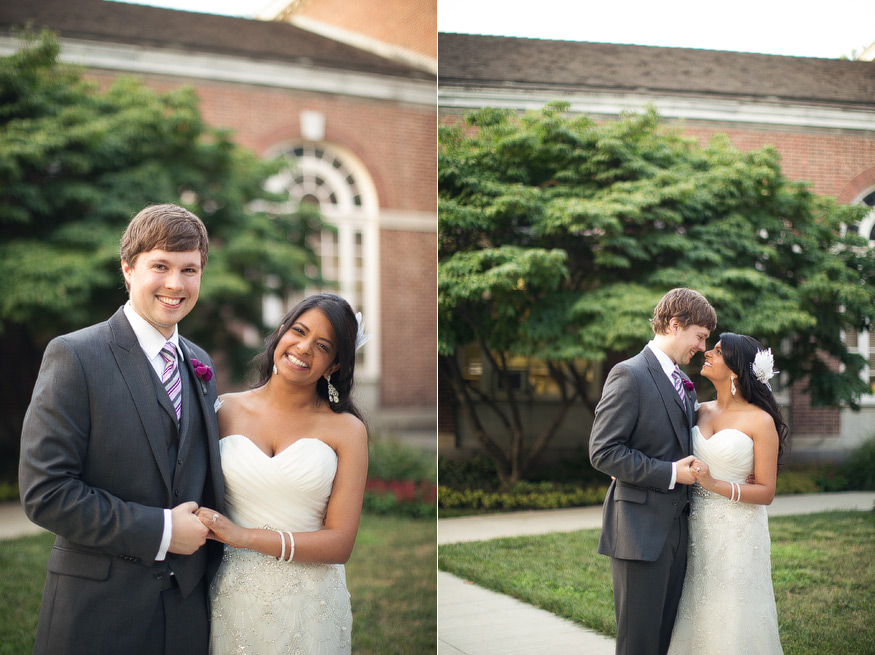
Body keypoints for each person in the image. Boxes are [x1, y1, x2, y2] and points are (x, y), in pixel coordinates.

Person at [19, 204, 225, 655]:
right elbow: (45, 492)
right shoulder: (75, 355)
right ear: (128, 269)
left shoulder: (200, 363)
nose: (176, 284)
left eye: (189, 269)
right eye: (160, 266)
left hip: (187, 615)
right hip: (99, 613)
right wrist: (163, 531)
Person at [194, 292, 369, 655]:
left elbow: (340, 544)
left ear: (334, 365)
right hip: (233, 595)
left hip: (312, 603)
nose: (304, 348)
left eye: (323, 346)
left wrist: (244, 537)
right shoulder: (223, 410)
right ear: (281, 333)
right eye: (299, 331)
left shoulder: (347, 430)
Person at [589, 287, 717, 655]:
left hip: (677, 531)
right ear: (675, 324)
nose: (702, 347)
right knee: (639, 644)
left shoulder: (684, 384)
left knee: (662, 642)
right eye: (700, 336)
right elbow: (603, 451)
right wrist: (670, 473)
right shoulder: (629, 374)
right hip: (639, 531)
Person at [668, 333, 786, 653]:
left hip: (738, 531)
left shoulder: (760, 421)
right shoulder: (698, 410)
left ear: (735, 370)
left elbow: (766, 491)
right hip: (694, 526)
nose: (707, 353)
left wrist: (715, 484)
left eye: (718, 351)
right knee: (697, 607)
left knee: (733, 614)